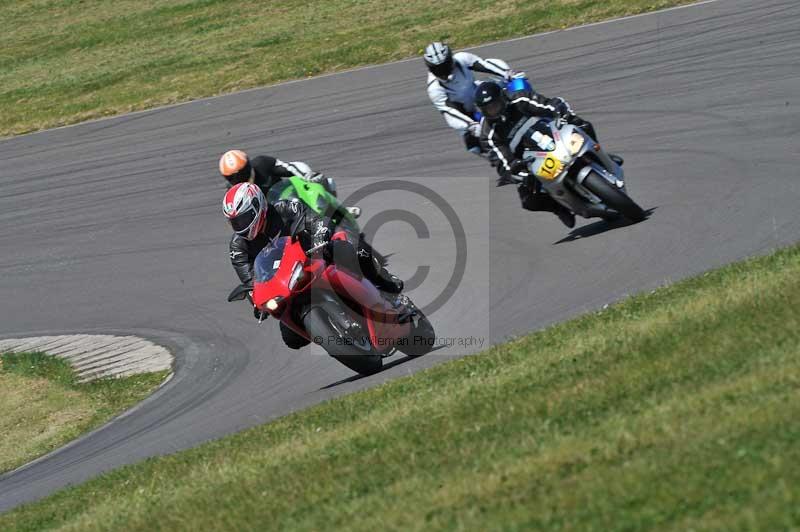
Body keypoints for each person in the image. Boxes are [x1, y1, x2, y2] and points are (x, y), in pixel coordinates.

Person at [223, 183, 403, 347]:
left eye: (244, 218)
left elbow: (314, 219)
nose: (242, 226)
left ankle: (386, 285)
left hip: (315, 257)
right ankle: (334, 336)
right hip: (285, 285)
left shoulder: (284, 208)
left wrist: (321, 233)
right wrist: (256, 302)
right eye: (235, 222)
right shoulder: (238, 247)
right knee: (291, 338)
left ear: (258, 206)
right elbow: (251, 282)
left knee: (355, 251)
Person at [476, 81, 620, 228]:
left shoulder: (520, 99)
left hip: (552, 135)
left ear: (503, 98)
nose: (493, 110)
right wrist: (514, 170)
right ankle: (559, 208)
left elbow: (547, 104)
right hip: (529, 162)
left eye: (495, 105)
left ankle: (601, 156)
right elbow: (501, 160)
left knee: (583, 125)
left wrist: (560, 112)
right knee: (528, 201)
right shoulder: (487, 133)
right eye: (488, 109)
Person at [424, 42, 517, 155]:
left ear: (450, 60)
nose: (442, 71)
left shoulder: (462, 58)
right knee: (475, 147)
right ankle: (506, 163)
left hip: (478, 95)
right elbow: (450, 111)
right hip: (465, 114)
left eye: (445, 66)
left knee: (506, 90)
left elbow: (484, 65)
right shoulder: (434, 88)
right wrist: (470, 125)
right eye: (437, 69)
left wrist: (508, 74)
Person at [218, 149, 360, 217]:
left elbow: (290, 167)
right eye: (232, 177)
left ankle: (337, 211)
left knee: (322, 183)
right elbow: (234, 217)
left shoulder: (262, 164)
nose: (238, 179)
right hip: (269, 217)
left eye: (241, 173)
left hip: (290, 198)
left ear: (248, 166)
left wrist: (308, 176)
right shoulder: (232, 194)